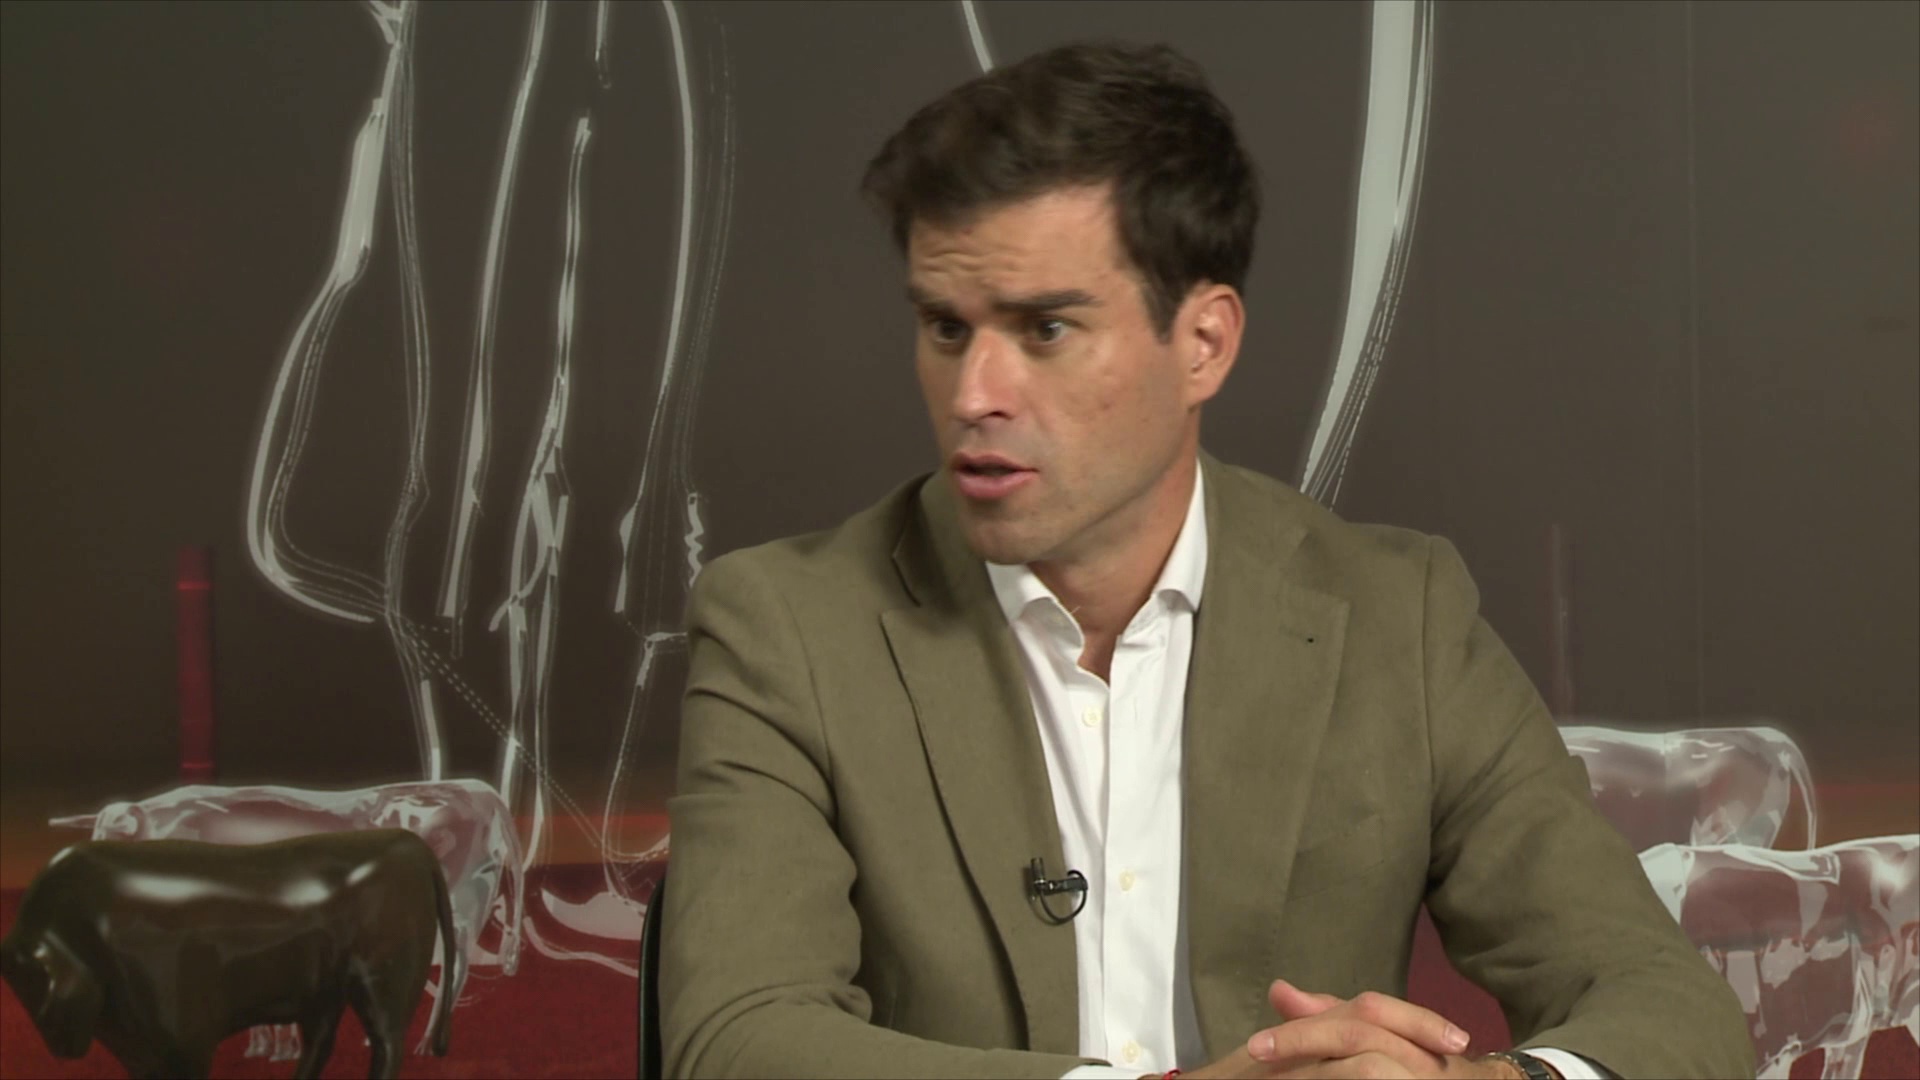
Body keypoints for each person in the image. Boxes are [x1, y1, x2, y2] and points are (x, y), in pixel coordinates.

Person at [659, 42, 1753, 1080]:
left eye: (1045, 330)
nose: (975, 393)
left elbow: (1668, 1006)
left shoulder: (1398, 616)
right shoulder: (784, 630)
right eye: (947, 328)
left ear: (1204, 344)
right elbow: (736, 1043)